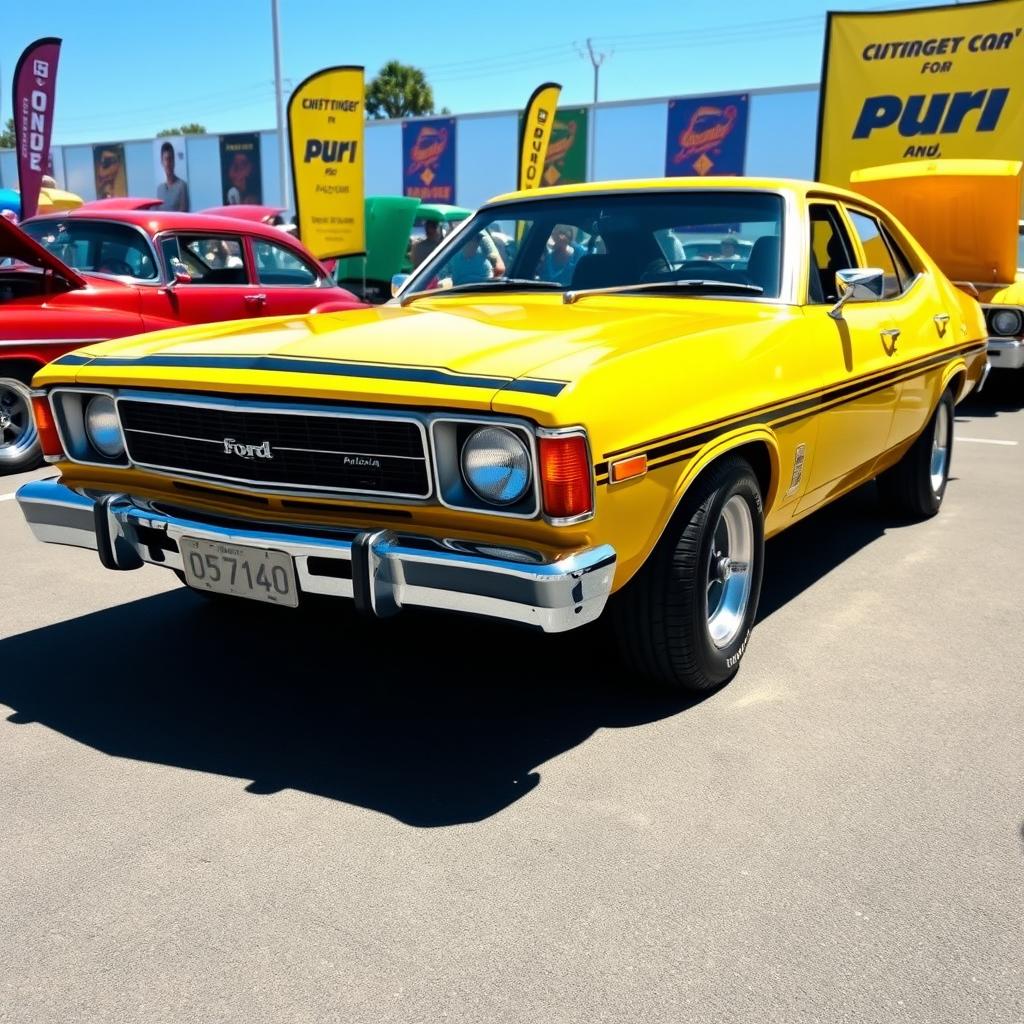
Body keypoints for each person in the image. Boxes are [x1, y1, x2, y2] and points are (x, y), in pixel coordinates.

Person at [156, 142, 189, 212]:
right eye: (166, 159)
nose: (168, 164)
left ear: (174, 161)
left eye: (170, 159)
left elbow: (184, 214)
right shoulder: (160, 189)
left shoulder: (182, 186)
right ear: (162, 162)